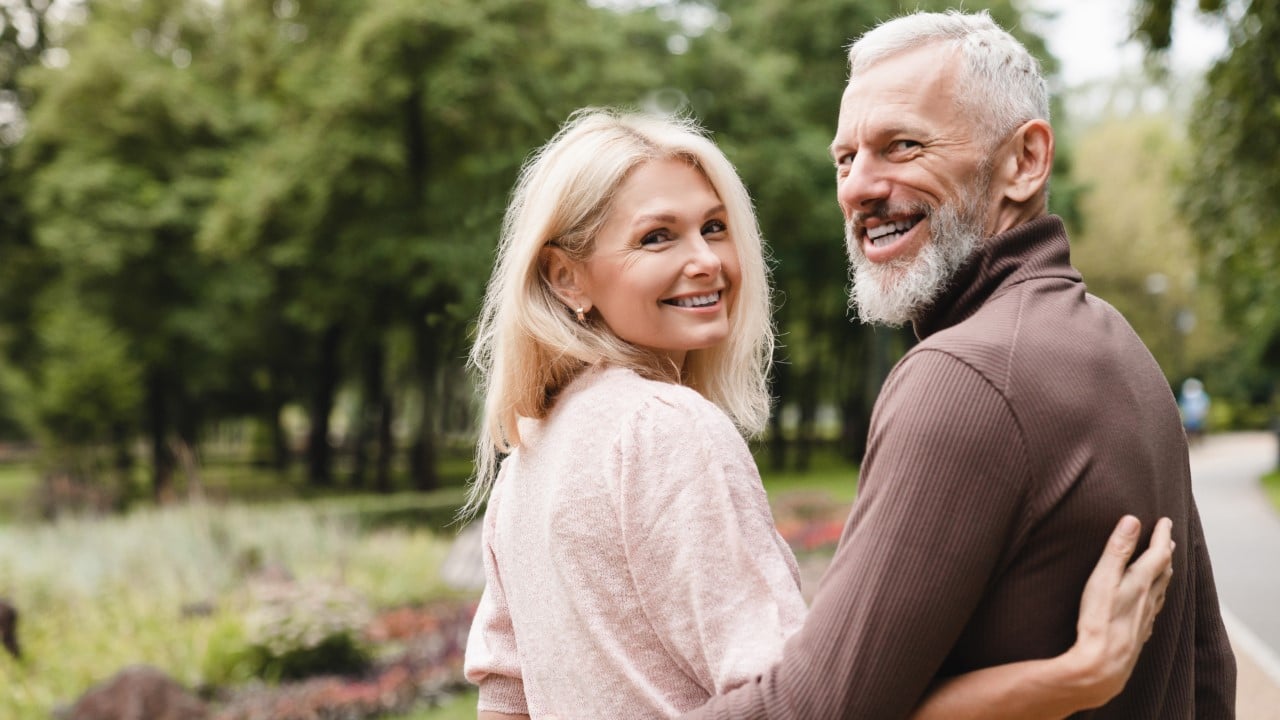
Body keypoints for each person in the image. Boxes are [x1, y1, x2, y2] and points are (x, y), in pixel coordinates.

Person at [461, 108, 1174, 720]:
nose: (708, 261)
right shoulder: (667, 429)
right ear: (565, 276)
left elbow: (505, 698)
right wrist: (1067, 680)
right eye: (657, 237)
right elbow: (805, 707)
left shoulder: (524, 466)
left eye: (714, 227)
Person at [685, 10, 1236, 719]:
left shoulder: (966, 375)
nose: (858, 187)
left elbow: (811, 708)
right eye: (845, 159)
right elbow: (1207, 671)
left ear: (1025, 161)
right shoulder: (1120, 349)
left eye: (902, 146)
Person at [1179, 377, 1211, 444]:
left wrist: (1203, 412)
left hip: (1198, 415)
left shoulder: (1201, 394)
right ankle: (1192, 441)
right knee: (1190, 429)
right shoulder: (1186, 395)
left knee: (1199, 429)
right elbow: (1182, 405)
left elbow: (1205, 403)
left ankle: (1199, 441)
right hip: (1190, 416)